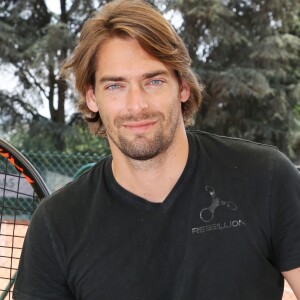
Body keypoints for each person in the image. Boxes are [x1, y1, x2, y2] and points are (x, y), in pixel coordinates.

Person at [13, 0, 300, 299]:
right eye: (115, 86)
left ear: (183, 87)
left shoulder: (265, 178)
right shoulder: (56, 223)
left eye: (154, 81)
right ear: (93, 98)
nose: (137, 105)